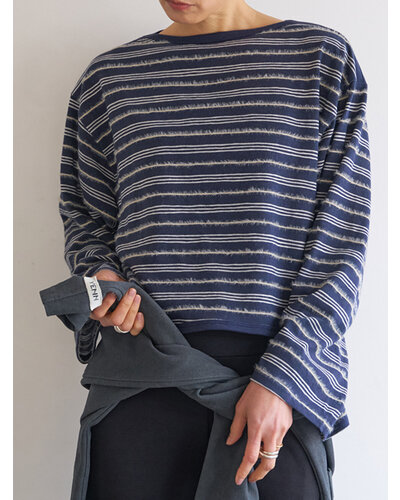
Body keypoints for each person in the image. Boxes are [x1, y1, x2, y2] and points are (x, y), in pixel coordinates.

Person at [58, 1, 371, 498]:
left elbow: (341, 239)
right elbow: (86, 215)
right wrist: (102, 276)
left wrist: (285, 378)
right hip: (143, 374)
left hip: (275, 378)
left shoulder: (320, 58)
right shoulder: (109, 78)